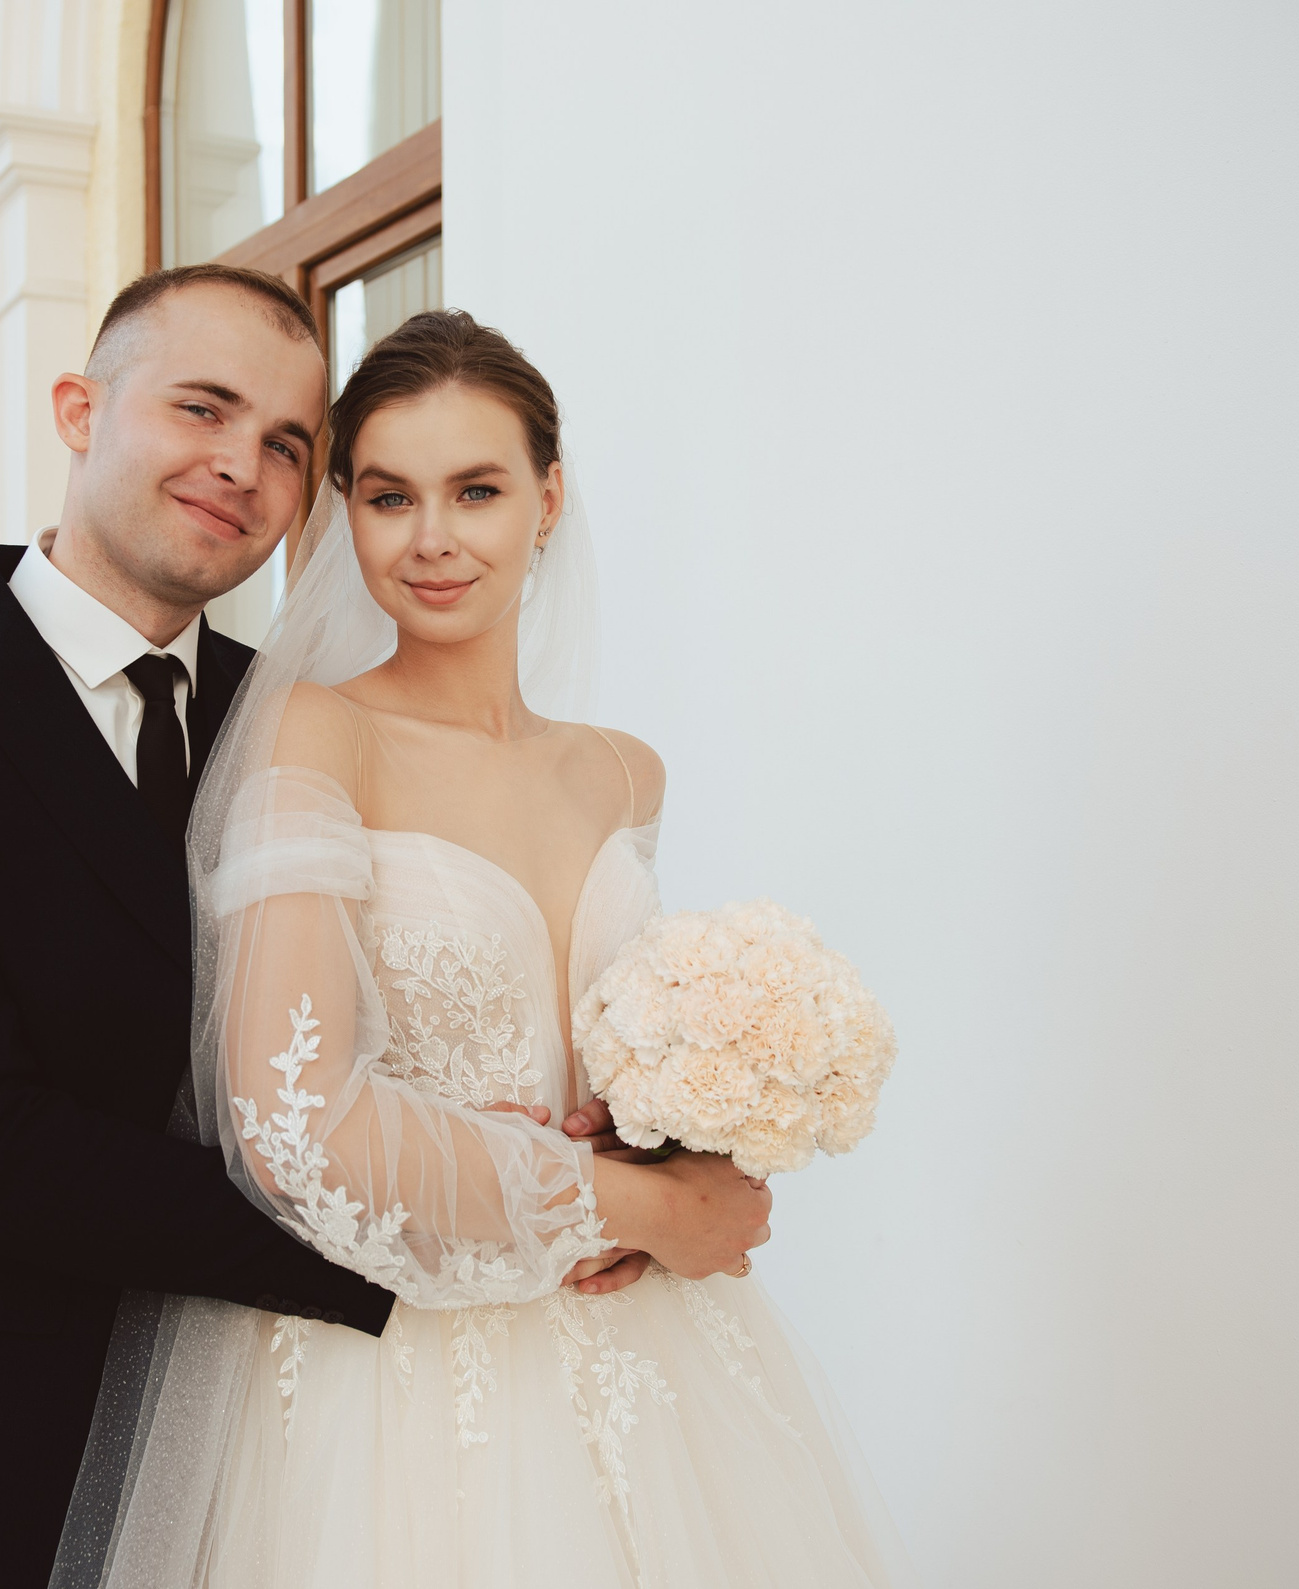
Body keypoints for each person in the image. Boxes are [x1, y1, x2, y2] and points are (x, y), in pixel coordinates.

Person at [0, 269, 767, 1587]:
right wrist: (507, 1220)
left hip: (327, 1414)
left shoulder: (287, 709)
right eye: (202, 408)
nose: (242, 464)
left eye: (288, 445)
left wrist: (657, 1146)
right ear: (79, 408)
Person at [53, 311, 912, 1588]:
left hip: (657, 1346)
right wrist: (633, 1204)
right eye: (390, 495)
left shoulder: (624, 771)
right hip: (402, 1368)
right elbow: (289, 1120)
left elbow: (605, 1054)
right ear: (345, 513)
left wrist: (695, 1136)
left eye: (477, 489)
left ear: (548, 497)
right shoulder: (312, 733)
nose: (433, 537)